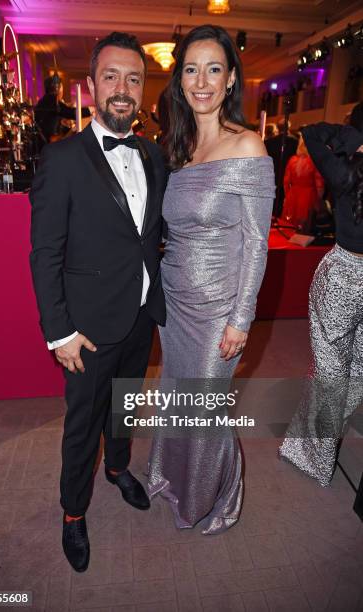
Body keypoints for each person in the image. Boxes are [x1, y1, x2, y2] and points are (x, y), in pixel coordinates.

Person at [29, 32, 167, 572]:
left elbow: (150, 235)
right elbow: (45, 254)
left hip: (138, 316)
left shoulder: (154, 153)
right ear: (90, 86)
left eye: (134, 78)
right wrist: (59, 332)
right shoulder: (62, 158)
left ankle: (118, 468)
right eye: (111, 76)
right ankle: (73, 511)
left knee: (125, 405)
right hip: (85, 328)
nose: (123, 89)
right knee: (82, 424)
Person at [147, 24, 275, 534]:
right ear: (179, 80)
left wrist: (241, 319)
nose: (202, 80)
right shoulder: (178, 150)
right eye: (191, 69)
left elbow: (257, 244)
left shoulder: (249, 148)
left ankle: (209, 498)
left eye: (214, 69)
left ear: (230, 80)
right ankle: (169, 476)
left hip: (220, 310)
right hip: (174, 302)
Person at [279, 121, 363, 486]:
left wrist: (354, 140)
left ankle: (315, 454)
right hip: (347, 282)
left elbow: (311, 132)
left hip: (342, 279)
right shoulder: (345, 174)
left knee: (331, 375)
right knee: (355, 371)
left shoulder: (345, 174)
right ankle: (317, 439)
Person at [281, 134, 324, 233]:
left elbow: (286, 181)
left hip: (293, 194)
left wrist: (288, 195)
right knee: (305, 225)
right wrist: (319, 199)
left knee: (289, 226)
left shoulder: (292, 160)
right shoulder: (314, 161)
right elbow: (319, 185)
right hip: (309, 195)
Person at [34, 75, 91, 143]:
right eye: (61, 87)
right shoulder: (53, 101)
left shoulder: (44, 100)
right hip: (51, 142)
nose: (62, 92)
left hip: (43, 141)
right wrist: (89, 110)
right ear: (57, 88)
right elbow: (71, 113)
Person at [265, 117, 298, 217]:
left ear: (278, 129)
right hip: (288, 175)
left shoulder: (269, 142)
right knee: (284, 198)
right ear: (289, 127)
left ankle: (273, 215)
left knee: (273, 199)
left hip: (273, 174)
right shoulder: (294, 142)